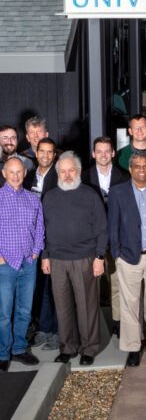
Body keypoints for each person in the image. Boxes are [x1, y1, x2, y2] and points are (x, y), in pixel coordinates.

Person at [41, 151, 107, 366]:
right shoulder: (49, 197)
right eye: (63, 171)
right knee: (62, 306)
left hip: (85, 259)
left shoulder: (90, 195)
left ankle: (89, 348)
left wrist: (99, 257)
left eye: (71, 170)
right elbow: (43, 230)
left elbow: (102, 228)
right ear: (58, 173)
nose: (67, 175)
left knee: (87, 306)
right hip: (57, 260)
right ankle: (67, 347)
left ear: (78, 172)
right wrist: (45, 256)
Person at [108, 152, 146, 367]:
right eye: (137, 166)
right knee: (129, 304)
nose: (142, 169)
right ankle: (133, 348)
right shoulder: (118, 192)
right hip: (128, 256)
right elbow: (112, 226)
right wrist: (116, 254)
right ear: (130, 168)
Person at [82, 136, 129, 338]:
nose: (102, 154)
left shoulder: (125, 177)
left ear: (113, 153)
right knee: (90, 288)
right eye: (98, 151)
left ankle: (118, 323)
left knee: (117, 284)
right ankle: (92, 328)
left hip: (117, 239)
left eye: (106, 151)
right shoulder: (83, 178)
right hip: (90, 241)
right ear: (93, 154)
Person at [0, 157, 45, 371]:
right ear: (4, 174)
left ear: (25, 174)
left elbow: (39, 228)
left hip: (28, 264)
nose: (16, 176)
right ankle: (2, 353)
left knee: (24, 311)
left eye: (19, 172)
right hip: (5, 264)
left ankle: (18, 349)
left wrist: (36, 252)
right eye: (12, 172)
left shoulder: (33, 199)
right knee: (3, 313)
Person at [24, 137, 59, 350]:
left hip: (53, 240)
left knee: (56, 288)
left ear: (54, 155)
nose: (45, 155)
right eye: (42, 151)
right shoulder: (27, 178)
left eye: (49, 152)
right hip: (32, 241)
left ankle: (57, 331)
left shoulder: (59, 178)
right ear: (36, 153)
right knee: (41, 288)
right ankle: (44, 328)